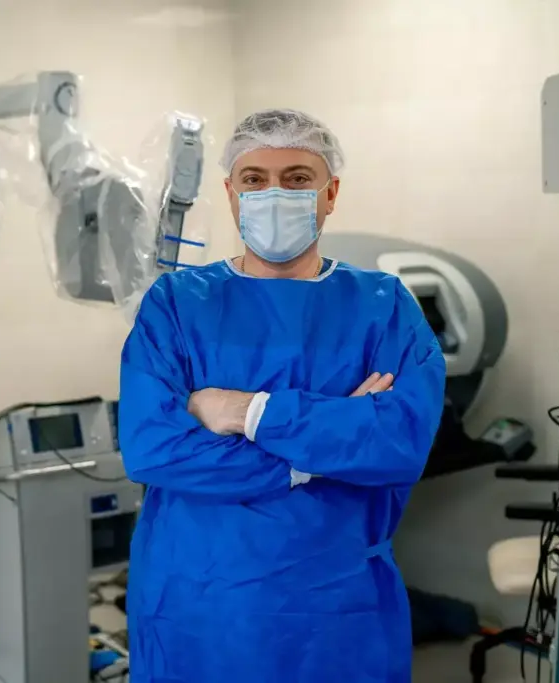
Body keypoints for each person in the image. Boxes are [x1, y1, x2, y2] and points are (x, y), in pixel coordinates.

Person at [117, 109, 447, 683]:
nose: (275, 193)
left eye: (296, 178)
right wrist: (327, 445)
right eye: (255, 180)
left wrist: (245, 411)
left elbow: (398, 445)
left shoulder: (384, 306)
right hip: (198, 603)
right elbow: (152, 450)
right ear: (231, 192)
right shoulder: (176, 304)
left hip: (335, 604)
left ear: (330, 192)